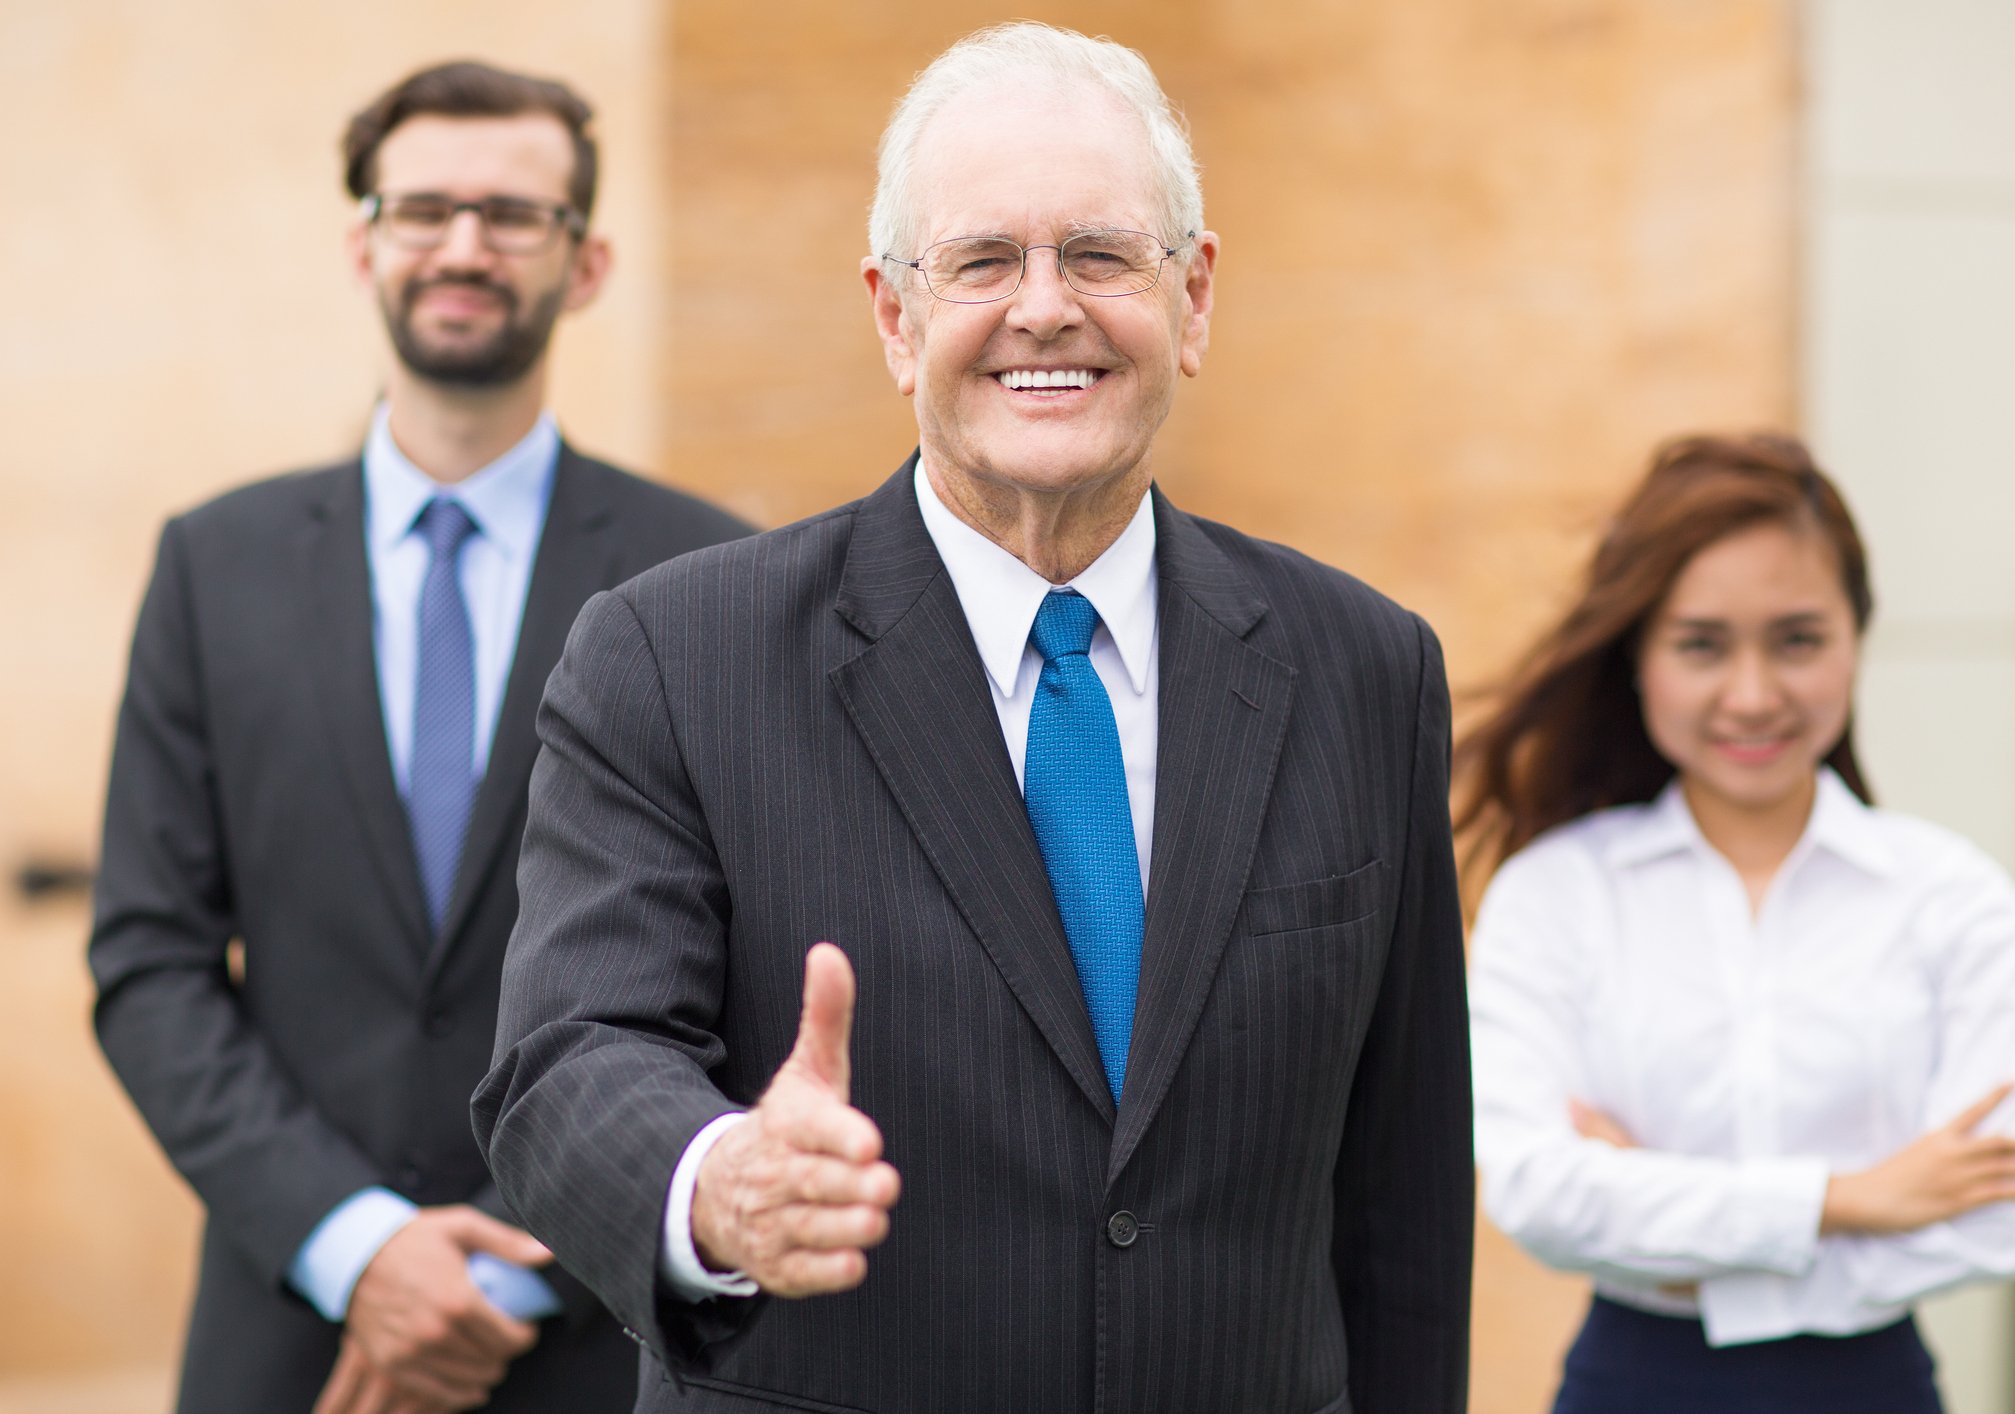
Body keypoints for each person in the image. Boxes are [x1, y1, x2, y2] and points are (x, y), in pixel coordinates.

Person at [473, 22, 1472, 1414]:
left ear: (1193, 299)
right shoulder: (671, 656)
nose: (1045, 308)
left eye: (1103, 255)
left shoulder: (1366, 668)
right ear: (895, 316)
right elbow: (570, 1057)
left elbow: (1403, 1192)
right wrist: (719, 1185)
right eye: (984, 261)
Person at [89, 60, 750, 1414]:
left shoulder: (708, 575)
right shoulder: (215, 565)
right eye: (424, 208)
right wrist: (357, 1243)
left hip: (596, 1338)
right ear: (364, 243)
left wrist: (513, 1269)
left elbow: (737, 971)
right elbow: (149, 958)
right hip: (294, 1333)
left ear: (587, 261)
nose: (464, 247)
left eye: (514, 215)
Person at [1458, 433, 2015, 1413]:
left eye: (1798, 639)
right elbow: (1538, 1193)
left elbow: (1990, 1221)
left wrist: (1657, 1204)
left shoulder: (1953, 897)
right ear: (1639, 658)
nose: (1752, 693)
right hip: (1632, 1386)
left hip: (1873, 1389)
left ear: (1857, 638)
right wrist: (1849, 1199)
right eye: (1701, 644)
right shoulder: (1557, 894)